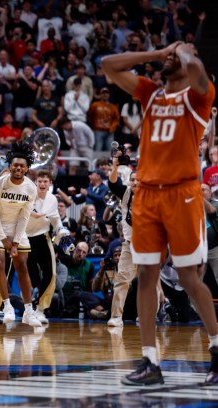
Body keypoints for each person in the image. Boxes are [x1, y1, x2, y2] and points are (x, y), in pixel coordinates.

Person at [102, 41, 217, 385]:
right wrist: (157, 54)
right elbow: (109, 65)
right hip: (147, 195)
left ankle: (216, 349)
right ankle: (150, 362)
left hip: (182, 194)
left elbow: (196, 71)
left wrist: (185, 51)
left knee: (188, 278)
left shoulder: (199, 98)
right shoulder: (151, 94)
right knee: (146, 277)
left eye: (179, 55)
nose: (172, 56)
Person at [0, 141, 41, 327]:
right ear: (9, 166)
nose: (18, 168)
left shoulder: (31, 188)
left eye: (22, 165)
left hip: (17, 228)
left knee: (22, 267)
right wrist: (3, 239)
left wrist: (16, 243)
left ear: (27, 169)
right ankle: (7, 306)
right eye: (15, 165)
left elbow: (24, 217)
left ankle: (28, 311)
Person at [25, 170, 69, 324]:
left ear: (50, 183)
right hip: (25, 239)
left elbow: (56, 220)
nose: (42, 184)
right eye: (40, 181)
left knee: (51, 274)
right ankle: (28, 309)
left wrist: (62, 230)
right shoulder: (28, 196)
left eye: (45, 181)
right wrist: (32, 213)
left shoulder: (52, 200)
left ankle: (40, 310)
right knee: (32, 277)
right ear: (35, 182)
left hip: (43, 238)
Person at [106, 158, 138, 328]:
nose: (135, 182)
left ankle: (149, 315)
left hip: (150, 246)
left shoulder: (152, 194)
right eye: (132, 179)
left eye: (138, 179)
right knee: (121, 280)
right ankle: (116, 316)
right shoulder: (125, 192)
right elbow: (112, 183)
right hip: (129, 245)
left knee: (151, 284)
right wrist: (115, 165)